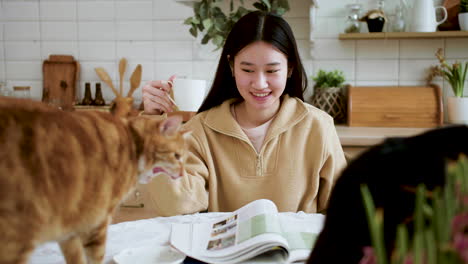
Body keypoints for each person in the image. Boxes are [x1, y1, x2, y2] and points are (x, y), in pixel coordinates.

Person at [141, 11, 347, 216]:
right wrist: (153, 128)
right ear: (232, 66)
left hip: (298, 249)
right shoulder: (200, 130)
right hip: (223, 249)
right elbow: (175, 205)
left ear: (290, 68)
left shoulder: (318, 126)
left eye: (272, 71)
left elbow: (343, 210)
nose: (259, 83)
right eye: (247, 70)